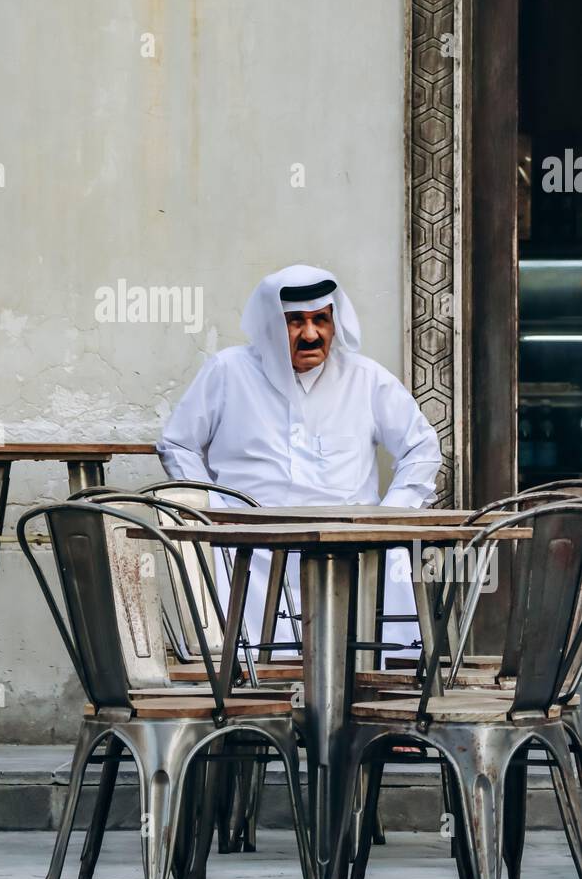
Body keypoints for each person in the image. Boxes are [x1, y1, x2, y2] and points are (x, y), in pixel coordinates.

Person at [156, 263, 442, 649]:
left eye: (321, 320)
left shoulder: (366, 378)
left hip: (352, 551)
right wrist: (214, 510)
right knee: (252, 669)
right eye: (296, 322)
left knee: (366, 666)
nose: (311, 334)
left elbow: (421, 447)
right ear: (272, 325)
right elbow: (177, 444)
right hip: (250, 553)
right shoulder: (229, 372)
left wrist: (392, 516)